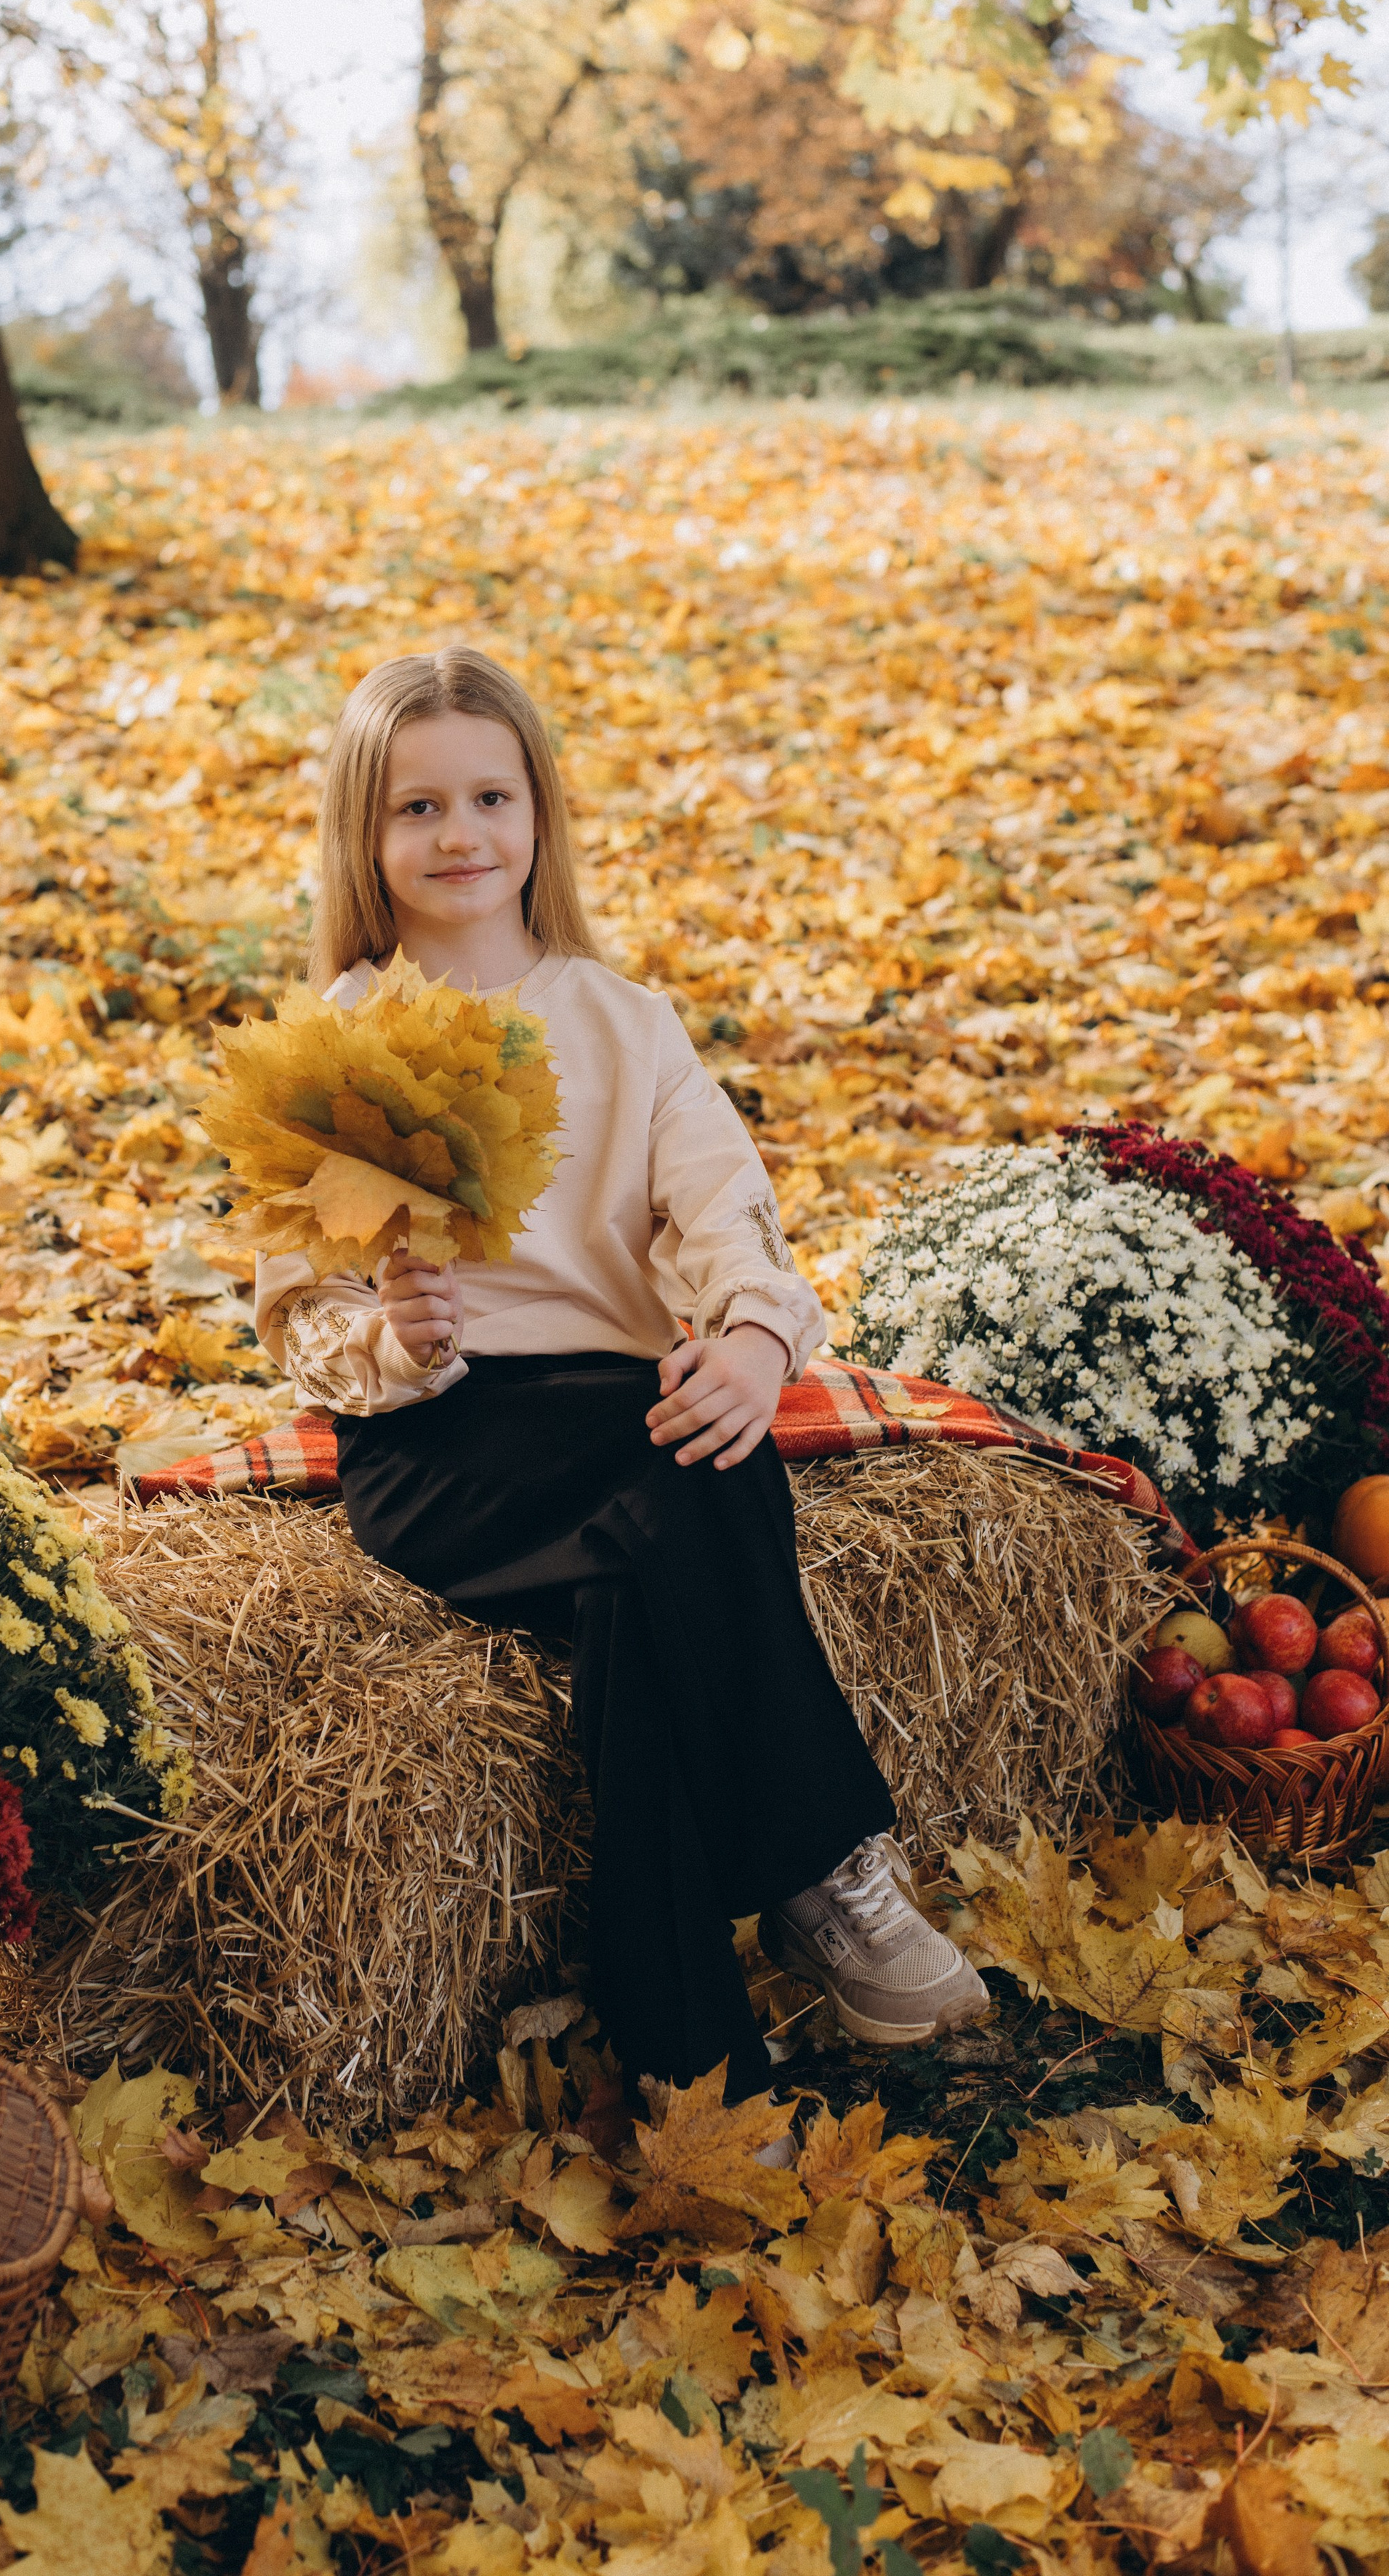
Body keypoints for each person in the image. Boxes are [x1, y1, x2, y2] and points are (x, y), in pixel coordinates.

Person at [254, 645, 988, 2101]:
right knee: (688, 1487)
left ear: (538, 810)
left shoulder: (623, 1022)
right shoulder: (337, 1037)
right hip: (441, 1445)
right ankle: (824, 1868)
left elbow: (729, 1218)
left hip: (618, 1418)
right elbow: (296, 1316)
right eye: (415, 808)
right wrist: (396, 1335)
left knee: (645, 1576)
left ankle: (688, 2061)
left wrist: (754, 1341)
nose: (458, 835)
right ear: (364, 834)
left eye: (489, 796)